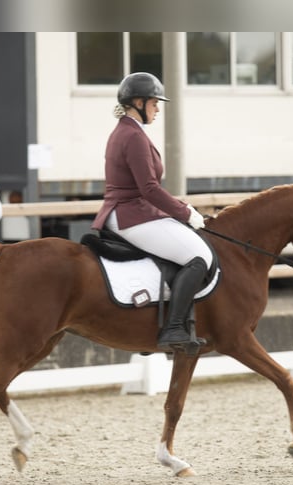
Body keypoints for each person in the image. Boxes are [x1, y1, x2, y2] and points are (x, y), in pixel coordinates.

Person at [91, 72, 213, 352]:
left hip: (129, 211)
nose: (158, 109)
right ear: (138, 102)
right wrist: (185, 213)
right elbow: (148, 188)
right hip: (131, 214)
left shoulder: (127, 130)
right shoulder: (132, 135)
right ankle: (172, 329)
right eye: (154, 103)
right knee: (199, 257)